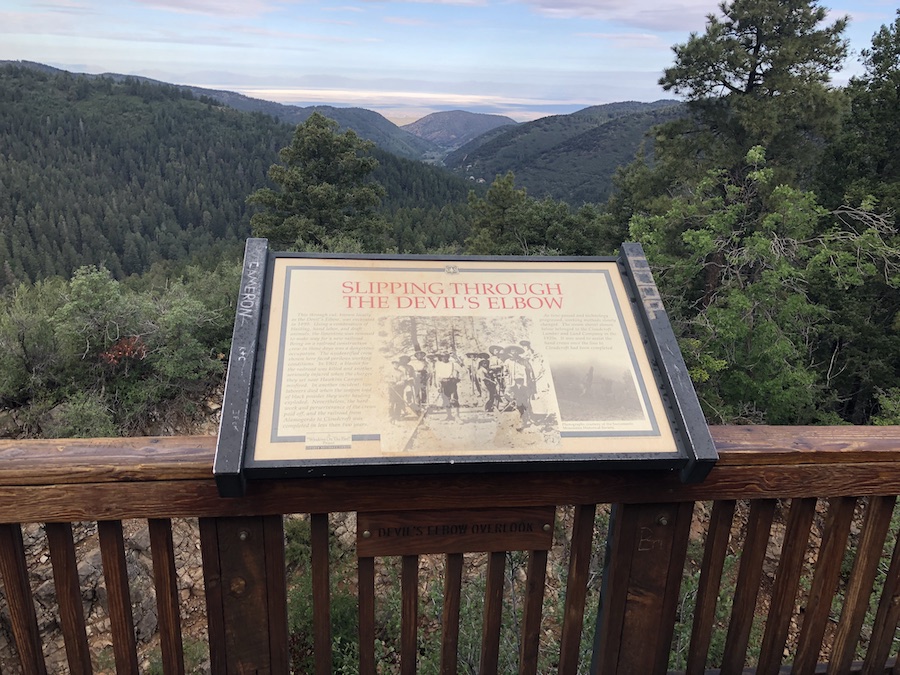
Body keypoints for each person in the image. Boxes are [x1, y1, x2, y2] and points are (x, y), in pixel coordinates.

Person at [433, 353, 461, 420]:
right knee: (446, 400)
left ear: (448, 357)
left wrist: (458, 378)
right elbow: (437, 376)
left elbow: (463, 371)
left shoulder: (454, 364)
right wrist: (438, 386)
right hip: (443, 383)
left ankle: (457, 416)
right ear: (441, 357)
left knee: (454, 399)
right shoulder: (438, 365)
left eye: (446, 356)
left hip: (451, 382)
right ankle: (449, 415)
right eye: (442, 357)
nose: (444, 358)